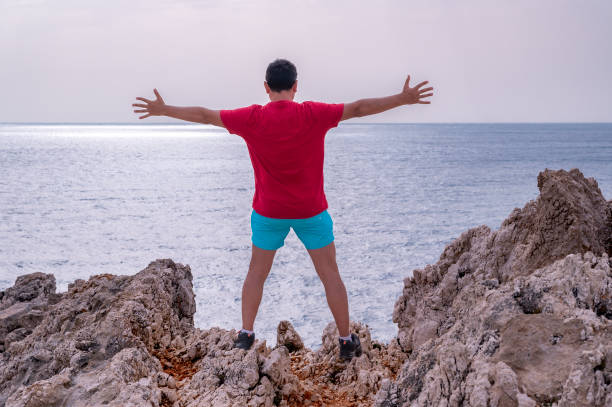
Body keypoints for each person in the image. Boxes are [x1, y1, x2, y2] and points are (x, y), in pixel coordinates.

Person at [132, 58, 433, 360]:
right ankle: (345, 341)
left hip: (268, 213)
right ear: (295, 87)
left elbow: (206, 115)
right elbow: (358, 108)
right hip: (311, 212)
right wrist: (403, 99)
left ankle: (246, 335)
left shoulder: (251, 118)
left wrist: (164, 109)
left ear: (266, 88)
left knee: (256, 273)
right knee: (330, 275)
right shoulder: (313, 114)